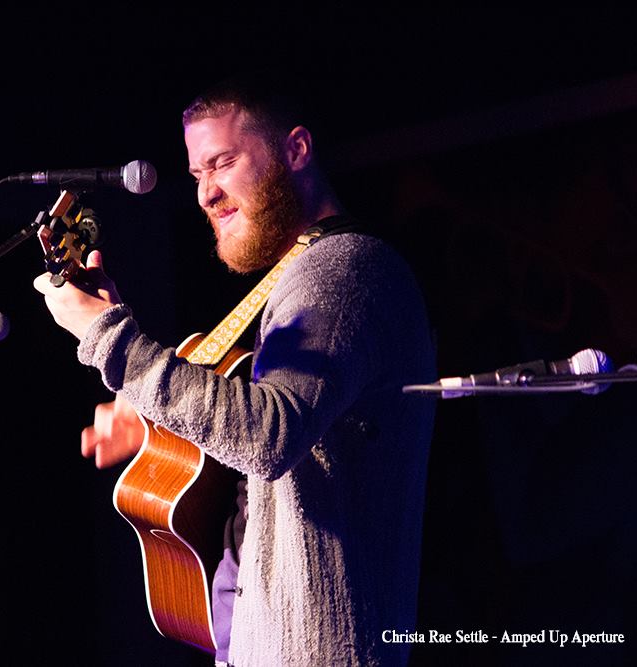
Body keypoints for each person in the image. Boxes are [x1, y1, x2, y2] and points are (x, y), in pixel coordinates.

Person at [33, 76, 436, 666]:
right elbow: (274, 436)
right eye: (197, 175)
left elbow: (271, 434)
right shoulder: (306, 275)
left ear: (295, 150)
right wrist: (155, 425)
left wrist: (110, 339)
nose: (205, 195)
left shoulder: (343, 270)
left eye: (221, 163)